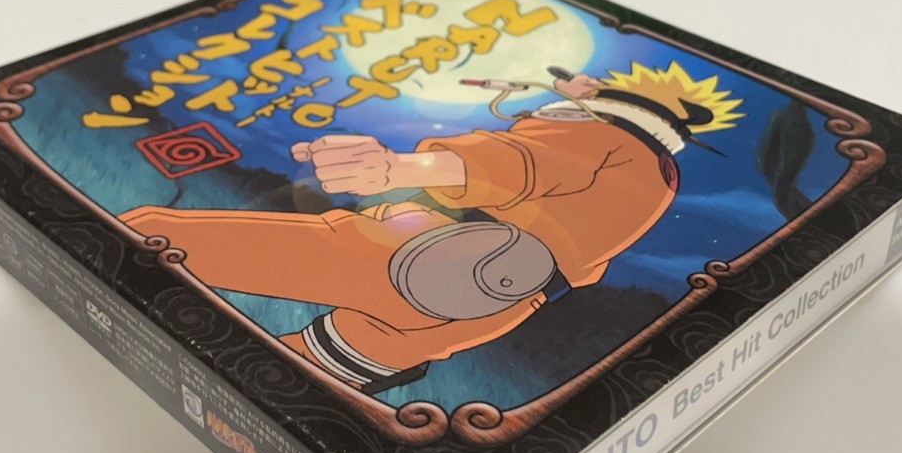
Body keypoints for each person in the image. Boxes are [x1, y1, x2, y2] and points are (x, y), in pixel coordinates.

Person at [123, 62, 742, 396]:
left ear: (621, 98)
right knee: (302, 377)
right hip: (494, 305)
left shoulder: (601, 135)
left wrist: (396, 168)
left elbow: (516, 165)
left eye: (590, 83)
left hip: (417, 252)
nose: (572, 83)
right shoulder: (656, 179)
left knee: (164, 240)